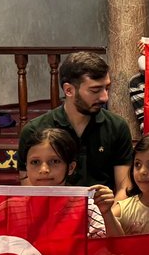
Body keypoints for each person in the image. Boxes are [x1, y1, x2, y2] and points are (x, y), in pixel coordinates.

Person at [17, 51, 132, 197]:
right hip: (53, 214)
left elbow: (124, 188)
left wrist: (104, 217)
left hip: (102, 213)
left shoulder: (117, 127)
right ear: (69, 90)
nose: (104, 97)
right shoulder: (34, 130)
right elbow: (30, 188)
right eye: (95, 90)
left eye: (107, 88)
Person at [22, 125, 117, 237]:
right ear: (26, 167)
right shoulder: (9, 210)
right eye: (35, 162)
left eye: (54, 161)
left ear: (71, 168)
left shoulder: (87, 207)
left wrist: (107, 213)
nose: (44, 170)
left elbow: (114, 248)